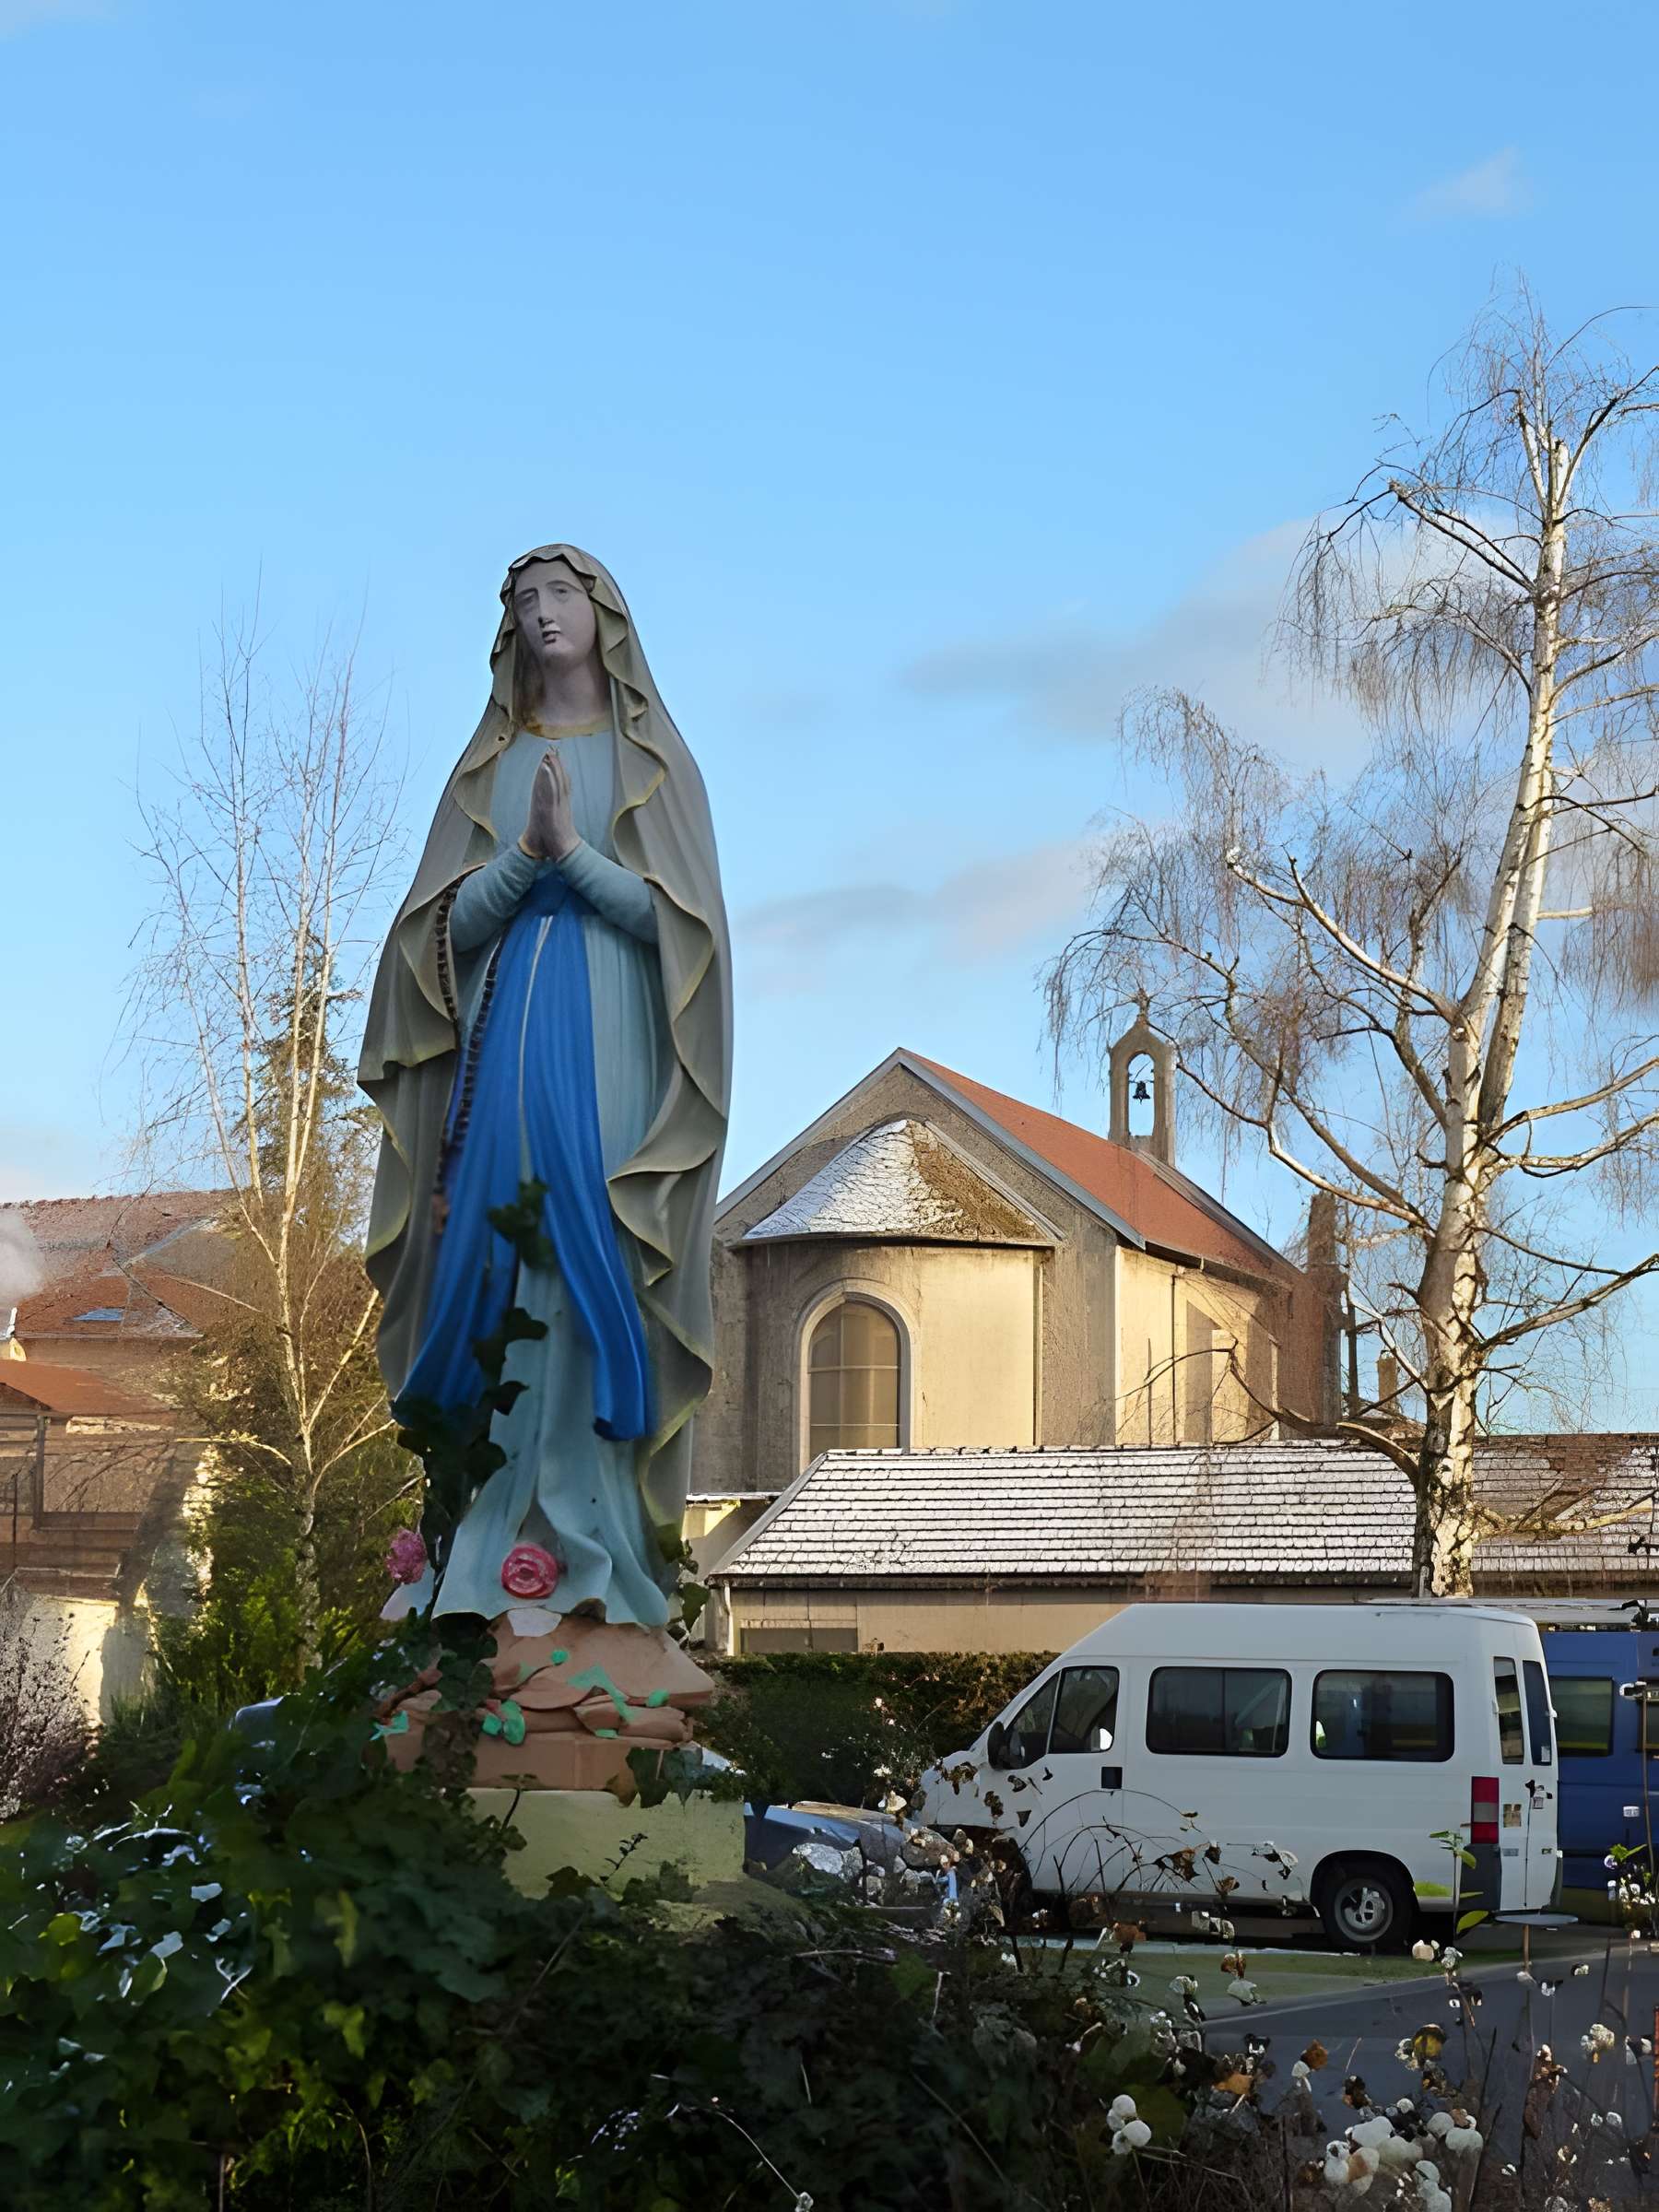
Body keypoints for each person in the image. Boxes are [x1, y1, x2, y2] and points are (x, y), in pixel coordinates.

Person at [359, 546, 731, 1633]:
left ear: (604, 613)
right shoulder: (489, 768)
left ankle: (594, 1537)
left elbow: (682, 934)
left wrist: (573, 855)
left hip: (614, 1045)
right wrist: (524, 859)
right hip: (499, 1057)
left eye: (559, 593)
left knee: (590, 1251)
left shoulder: (655, 763)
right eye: (522, 600)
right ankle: (480, 1536)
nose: (539, 611)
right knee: (493, 1257)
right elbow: (435, 940)